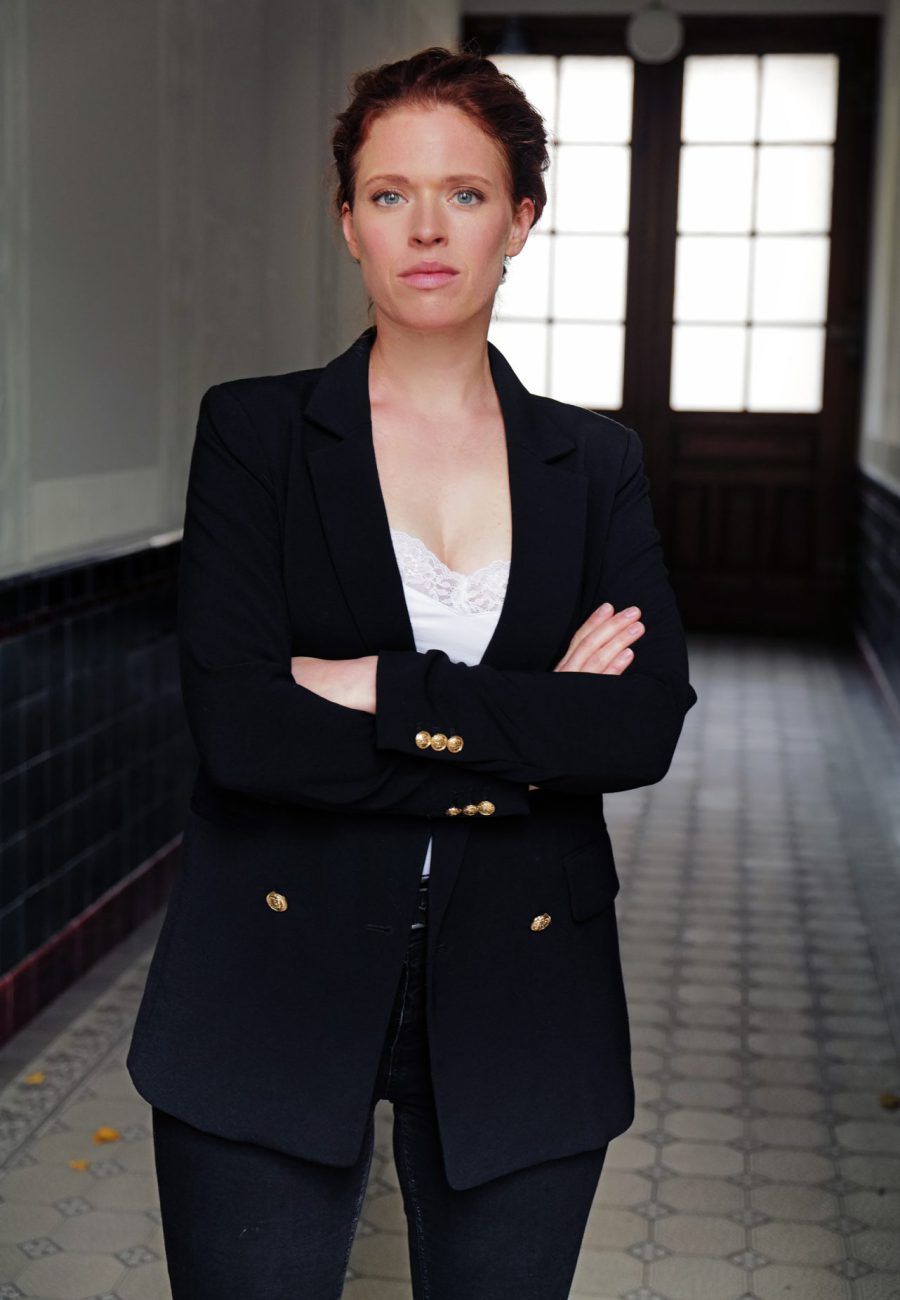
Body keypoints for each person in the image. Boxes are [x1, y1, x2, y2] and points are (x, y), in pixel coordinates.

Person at [126, 44, 698, 1299]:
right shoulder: (257, 434)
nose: (427, 228)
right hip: (269, 962)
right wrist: (530, 740)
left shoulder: (594, 463)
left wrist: (382, 687)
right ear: (348, 222)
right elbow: (246, 732)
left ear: (521, 219)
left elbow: (639, 729)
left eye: (466, 193)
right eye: (390, 194)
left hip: (527, 979)